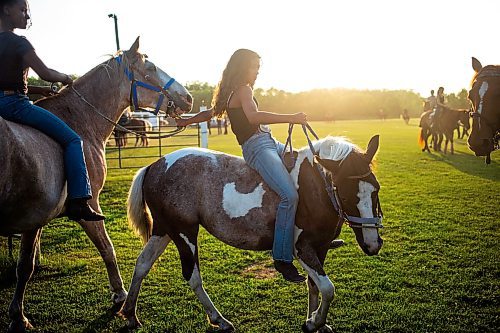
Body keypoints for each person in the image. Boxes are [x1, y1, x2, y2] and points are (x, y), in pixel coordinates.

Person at [176, 49, 311, 282]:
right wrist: (291, 117)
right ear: (242, 67)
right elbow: (254, 117)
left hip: (269, 142)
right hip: (258, 148)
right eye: (254, 67)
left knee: (306, 169)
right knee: (290, 195)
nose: (257, 72)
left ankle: (307, 234)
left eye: (259, 68)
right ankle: (282, 258)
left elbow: (210, 113)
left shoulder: (230, 91)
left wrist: (187, 120)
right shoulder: (243, 89)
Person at [0, 0, 104, 221]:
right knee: (73, 140)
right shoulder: (19, 43)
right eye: (22, 10)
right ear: (6, 10)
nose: (26, 16)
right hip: (15, 105)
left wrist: (41, 90)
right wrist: (66, 78)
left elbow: (8, 81)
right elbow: (45, 71)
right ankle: (79, 200)